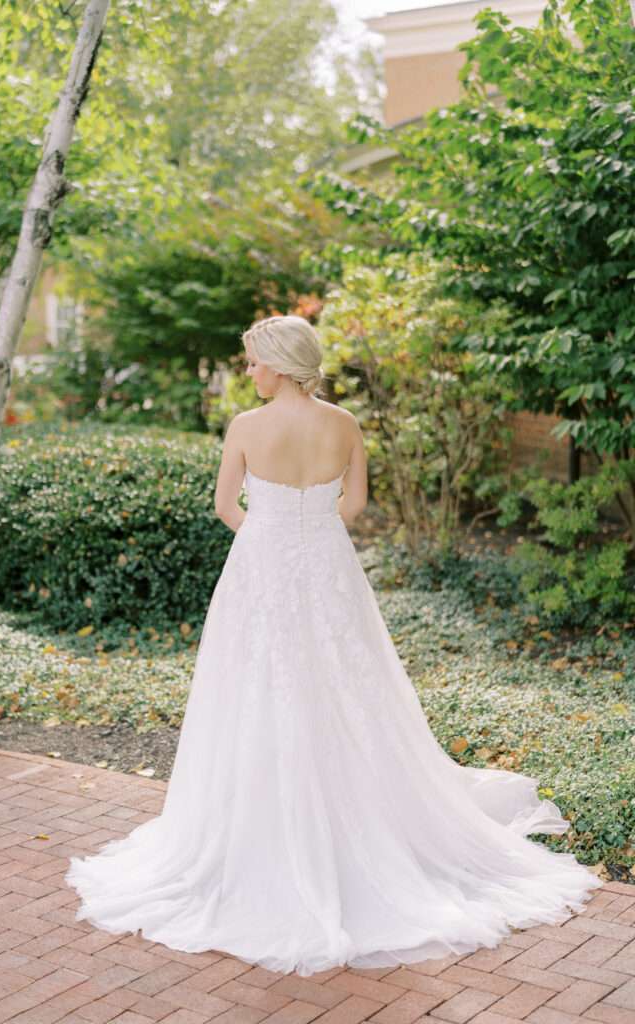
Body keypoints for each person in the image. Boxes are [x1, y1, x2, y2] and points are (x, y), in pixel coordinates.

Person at [65, 314, 603, 977]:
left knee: (257, 684)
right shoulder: (344, 425)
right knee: (346, 685)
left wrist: (267, 533)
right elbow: (354, 503)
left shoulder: (245, 428)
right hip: (328, 566)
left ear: (280, 364)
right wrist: (310, 529)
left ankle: (262, 830)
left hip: (258, 567)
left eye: (255, 362)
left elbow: (224, 507)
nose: (249, 372)